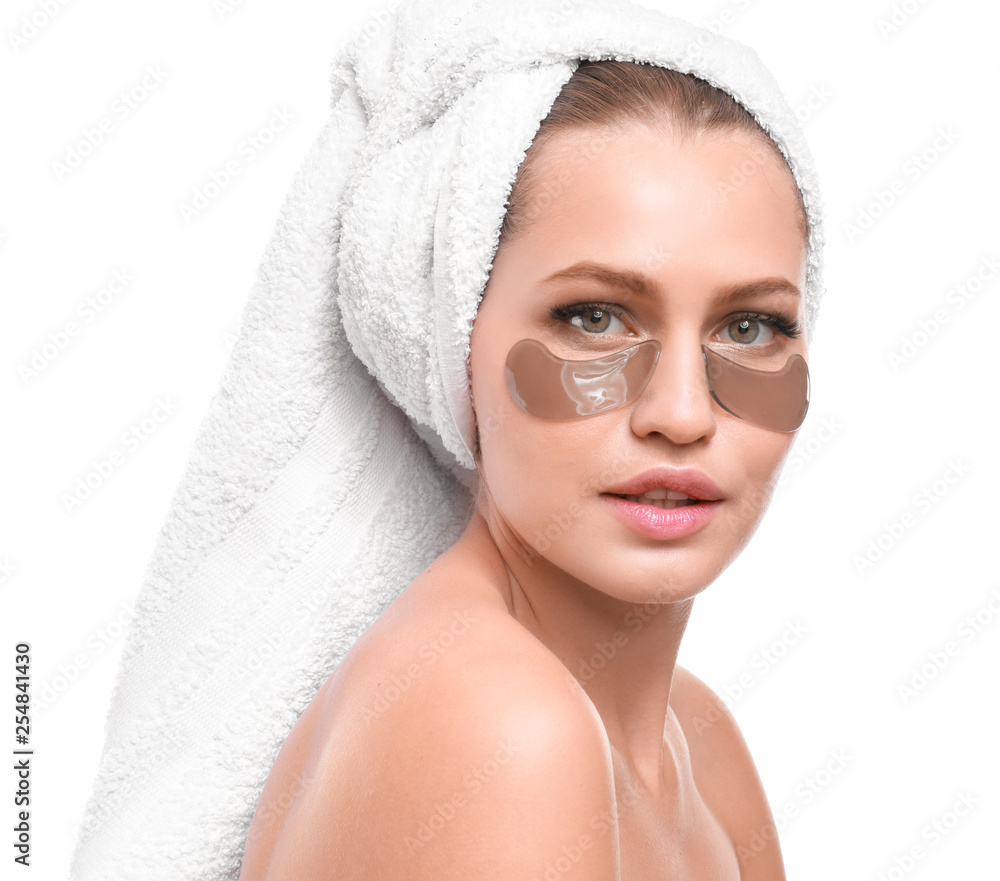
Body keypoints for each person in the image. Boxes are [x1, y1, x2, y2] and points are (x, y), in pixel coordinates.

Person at [69, 1, 824, 879]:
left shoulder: (702, 740)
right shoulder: (502, 729)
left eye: (750, 327)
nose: (684, 412)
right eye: (594, 317)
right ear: (452, 336)